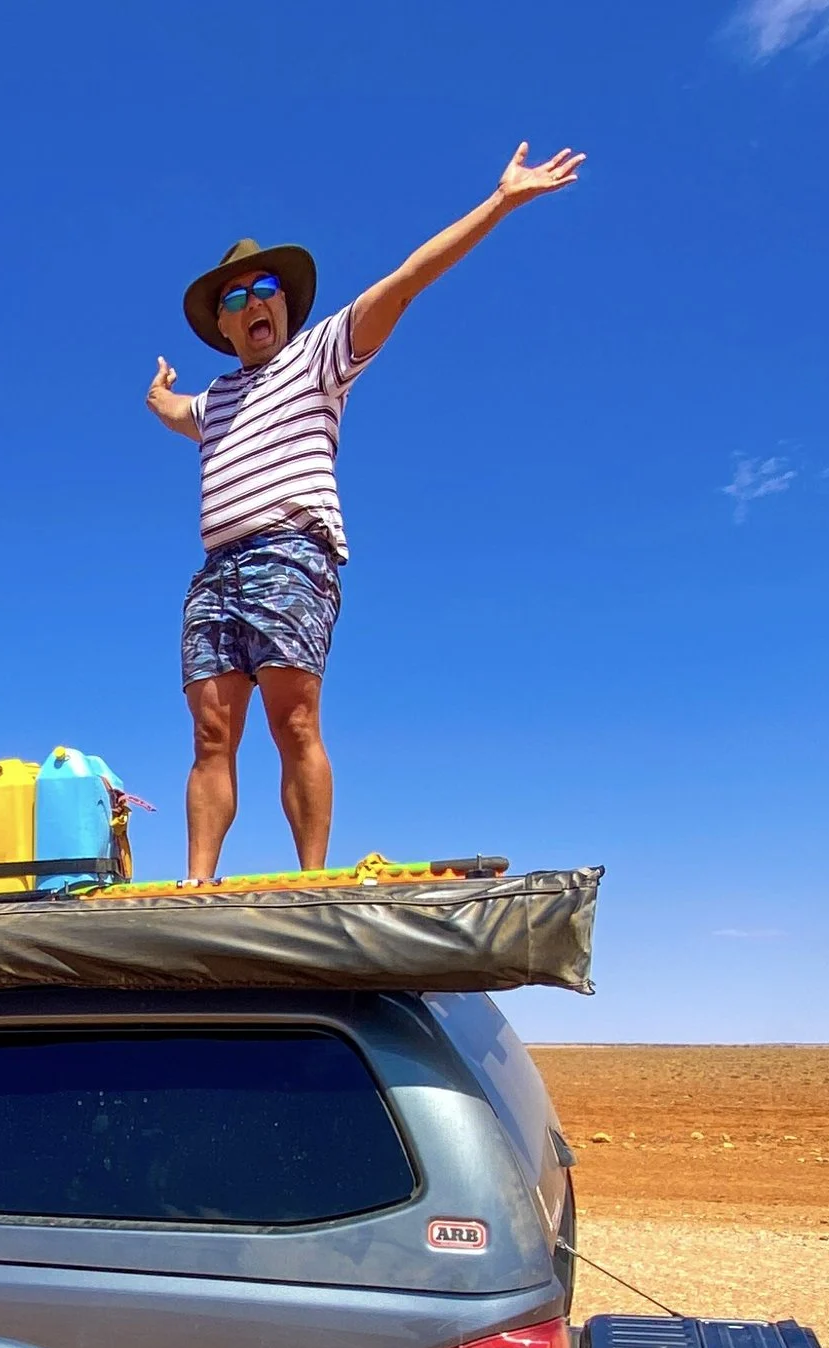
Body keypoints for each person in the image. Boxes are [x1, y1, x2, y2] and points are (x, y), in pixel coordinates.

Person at [145, 143, 585, 883]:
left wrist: (501, 202)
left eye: (264, 289)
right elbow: (174, 412)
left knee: (293, 723)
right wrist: (157, 395)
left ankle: (312, 879)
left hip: (290, 555)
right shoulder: (215, 399)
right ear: (222, 324)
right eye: (234, 297)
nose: (252, 302)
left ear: (285, 303)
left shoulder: (322, 354)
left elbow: (407, 282)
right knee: (211, 736)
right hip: (216, 575)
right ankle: (197, 882)